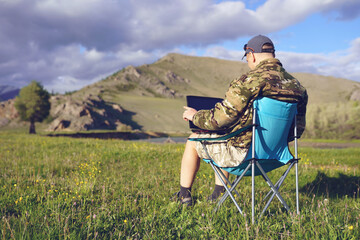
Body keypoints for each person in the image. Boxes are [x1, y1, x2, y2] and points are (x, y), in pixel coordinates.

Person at [172, 35, 308, 206]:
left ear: (251, 54)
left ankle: (184, 196)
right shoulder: (297, 87)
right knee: (223, 133)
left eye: (246, 58)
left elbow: (219, 120)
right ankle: (218, 193)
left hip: (243, 157)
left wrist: (194, 116)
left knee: (193, 140)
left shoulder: (248, 81)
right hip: (276, 158)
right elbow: (298, 129)